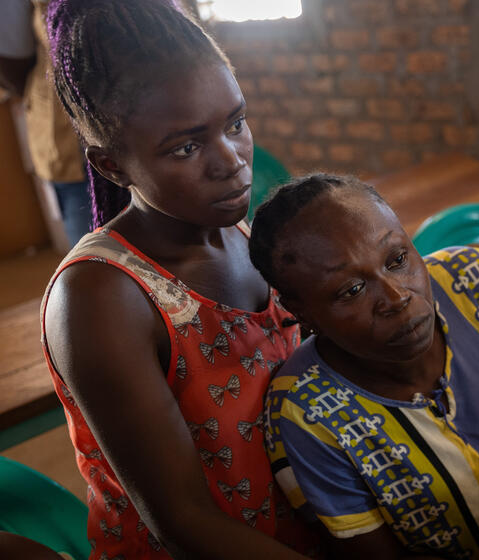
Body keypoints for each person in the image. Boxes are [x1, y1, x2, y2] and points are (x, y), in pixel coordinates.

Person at [40, 0, 322, 557]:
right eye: (186, 147)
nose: (232, 161)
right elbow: (183, 521)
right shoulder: (101, 296)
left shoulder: (243, 236)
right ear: (112, 165)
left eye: (236, 124)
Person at [247, 174, 479, 559]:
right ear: (302, 312)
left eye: (397, 260)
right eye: (352, 290)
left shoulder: (474, 282)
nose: (396, 297)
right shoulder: (307, 411)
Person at [0, 0, 93, 247]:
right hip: (77, 144)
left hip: (83, 132)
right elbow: (13, 65)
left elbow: (13, 65)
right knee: (99, 260)